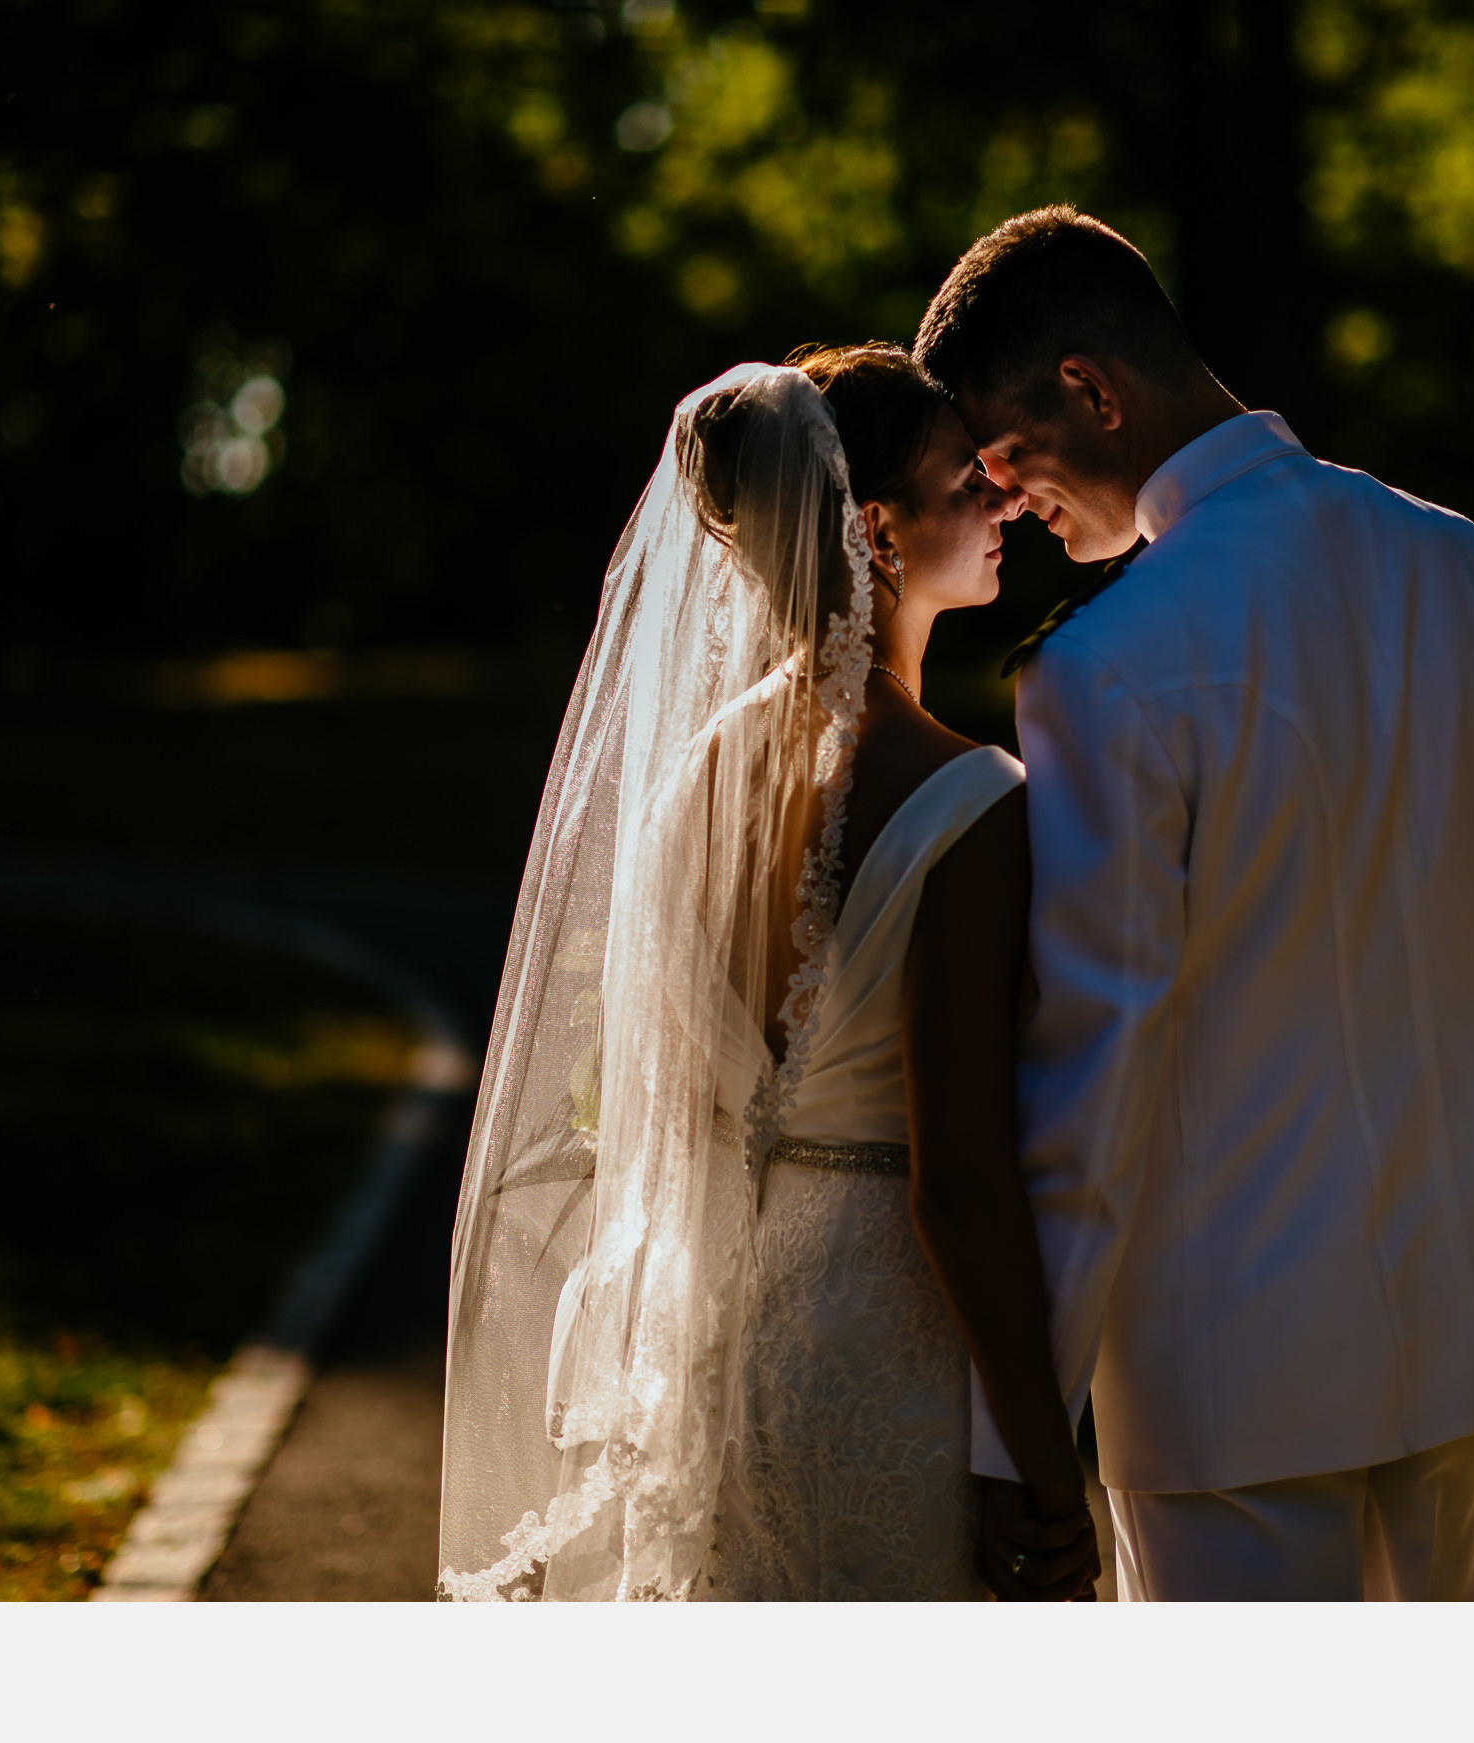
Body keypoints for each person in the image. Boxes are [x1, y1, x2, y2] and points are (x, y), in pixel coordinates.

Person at [914, 208, 1474, 1601]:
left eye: (1003, 457)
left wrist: (1018, 1434)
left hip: (1225, 1379)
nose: (1006, 505)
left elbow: (1094, 1087)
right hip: (1473, 1327)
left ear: (1094, 392)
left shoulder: (1105, 666)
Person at [437, 347, 1099, 1602]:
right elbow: (960, 1178)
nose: (1004, 499)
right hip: (889, 1346)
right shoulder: (971, 802)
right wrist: (1040, 1463)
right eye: (967, 478)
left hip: (726, 1335)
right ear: (876, 532)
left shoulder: (690, 787)